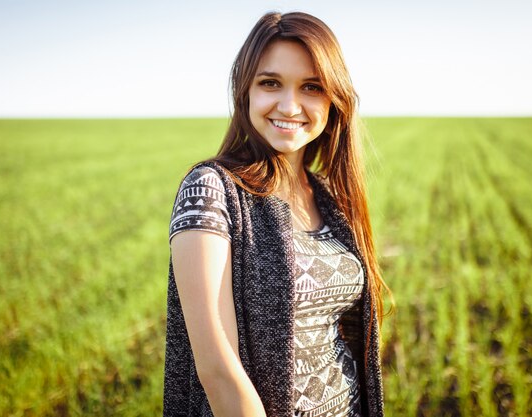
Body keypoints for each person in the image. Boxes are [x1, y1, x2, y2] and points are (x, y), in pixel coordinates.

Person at [164, 11, 389, 417]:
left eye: (311, 87)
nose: (290, 105)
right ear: (245, 91)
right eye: (271, 83)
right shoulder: (210, 191)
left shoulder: (330, 196)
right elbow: (219, 371)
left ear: (333, 99)